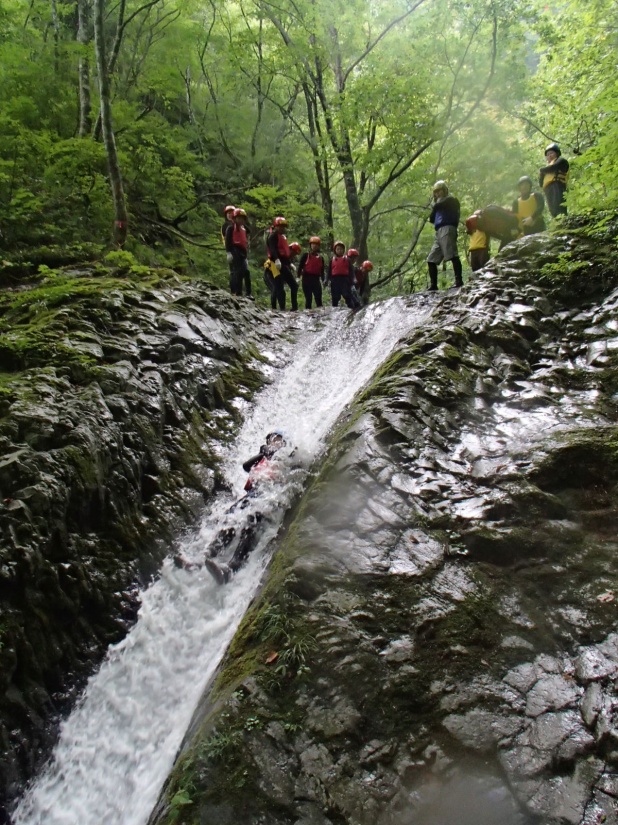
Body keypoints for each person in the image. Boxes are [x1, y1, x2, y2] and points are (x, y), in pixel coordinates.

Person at [174, 432, 289, 584]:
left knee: (251, 522)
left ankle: (231, 568)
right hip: (255, 494)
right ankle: (201, 560)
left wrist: (272, 450)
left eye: (277, 439)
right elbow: (246, 466)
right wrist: (264, 451)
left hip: (270, 495)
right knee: (230, 520)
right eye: (271, 440)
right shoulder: (264, 458)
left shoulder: (286, 456)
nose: (273, 442)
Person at [426, 180, 463, 290]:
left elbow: (441, 205)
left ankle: (459, 281)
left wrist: (436, 203)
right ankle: (433, 285)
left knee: (452, 254)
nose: (437, 194)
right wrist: (435, 205)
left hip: (448, 228)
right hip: (438, 232)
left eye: (439, 191)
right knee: (431, 259)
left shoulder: (451, 200)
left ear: (445, 191)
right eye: (436, 192)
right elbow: (431, 218)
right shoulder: (438, 205)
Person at [266, 216, 298, 311]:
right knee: (279, 286)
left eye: (283, 226)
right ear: (276, 226)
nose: (282, 228)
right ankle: (281, 308)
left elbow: (285, 251)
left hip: (284, 263)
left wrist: (290, 263)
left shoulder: (283, 237)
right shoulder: (272, 236)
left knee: (294, 285)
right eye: (280, 226)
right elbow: (272, 249)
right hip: (274, 264)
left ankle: (294, 307)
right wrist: (276, 259)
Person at [225, 208, 253, 298]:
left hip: (242, 252)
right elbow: (228, 241)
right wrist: (228, 252)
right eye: (239, 218)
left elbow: (245, 242)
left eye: (242, 218)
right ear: (235, 218)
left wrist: (246, 256)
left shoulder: (243, 229)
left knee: (246, 272)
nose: (241, 220)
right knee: (237, 272)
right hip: (234, 250)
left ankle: (248, 293)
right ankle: (238, 293)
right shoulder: (231, 228)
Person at [539, 143, 569, 218]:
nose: (549, 155)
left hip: (557, 185)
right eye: (548, 154)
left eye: (551, 153)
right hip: (548, 189)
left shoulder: (561, 161)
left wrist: (542, 170)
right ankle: (556, 221)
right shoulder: (546, 168)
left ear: (557, 153)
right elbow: (540, 182)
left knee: (559, 205)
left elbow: (553, 167)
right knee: (552, 208)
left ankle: (563, 220)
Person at [298, 236, 325, 309]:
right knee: (308, 299)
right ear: (310, 245)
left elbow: (322, 270)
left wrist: (323, 280)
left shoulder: (321, 258)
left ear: (319, 246)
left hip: (316, 279)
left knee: (318, 298)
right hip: (306, 279)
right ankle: (307, 315)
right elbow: (300, 267)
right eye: (313, 244)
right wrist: (298, 277)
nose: (314, 246)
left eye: (316, 244)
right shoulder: (306, 255)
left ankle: (320, 315)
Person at [326, 241, 355, 308]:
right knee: (335, 297)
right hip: (335, 280)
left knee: (347, 295)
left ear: (343, 250)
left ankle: (352, 309)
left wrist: (353, 279)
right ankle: (334, 309)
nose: (339, 250)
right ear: (335, 250)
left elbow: (351, 271)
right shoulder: (332, 260)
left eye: (341, 249)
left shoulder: (347, 260)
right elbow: (329, 271)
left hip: (345, 280)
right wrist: (326, 279)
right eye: (338, 249)